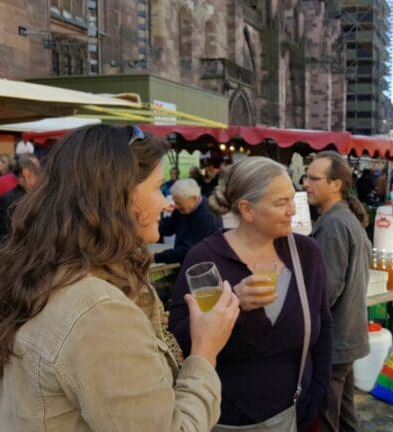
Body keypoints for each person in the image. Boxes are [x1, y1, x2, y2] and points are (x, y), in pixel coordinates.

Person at [0, 124, 241, 431]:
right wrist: (205, 351)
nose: (166, 203)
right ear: (118, 197)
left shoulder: (27, 271)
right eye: (157, 187)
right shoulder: (97, 311)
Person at [169, 156, 332, 430]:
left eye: (293, 199)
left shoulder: (306, 254)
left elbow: (323, 325)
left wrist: (319, 391)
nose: (293, 210)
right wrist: (235, 303)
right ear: (247, 209)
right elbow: (182, 337)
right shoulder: (206, 259)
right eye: (281, 203)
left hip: (294, 413)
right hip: (224, 418)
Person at [304, 151, 370, 432]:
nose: (306, 183)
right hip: (346, 336)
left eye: (314, 178)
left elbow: (326, 290)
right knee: (344, 415)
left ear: (336, 185)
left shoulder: (334, 224)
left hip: (335, 340)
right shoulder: (343, 219)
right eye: (306, 176)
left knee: (325, 420)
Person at [154, 178, 221, 265]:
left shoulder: (207, 217)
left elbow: (188, 251)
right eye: (175, 202)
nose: (176, 206)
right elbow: (166, 229)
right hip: (186, 263)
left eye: (179, 203)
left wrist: (155, 257)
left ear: (194, 199)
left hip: (202, 266)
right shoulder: (183, 208)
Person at [0, 154, 41, 240]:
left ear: (36, 176)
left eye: (30, 176)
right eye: (22, 177)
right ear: (16, 178)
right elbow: (3, 227)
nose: (26, 181)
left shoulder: (42, 195)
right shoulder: (7, 198)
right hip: (15, 243)